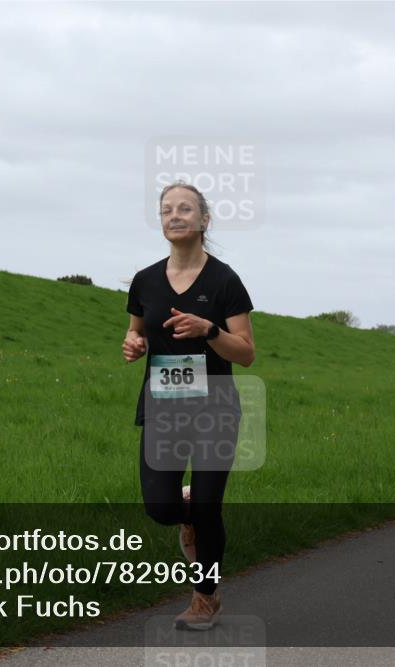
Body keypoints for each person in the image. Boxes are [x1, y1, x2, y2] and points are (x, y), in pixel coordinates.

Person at [123, 181, 255, 631]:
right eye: (165, 210)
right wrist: (133, 343)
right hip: (163, 406)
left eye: (184, 209)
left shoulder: (224, 280)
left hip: (215, 409)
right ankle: (188, 514)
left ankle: (205, 598)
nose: (174, 215)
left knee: (208, 507)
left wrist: (209, 331)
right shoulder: (144, 280)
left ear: (204, 220)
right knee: (159, 506)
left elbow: (246, 352)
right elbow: (135, 330)